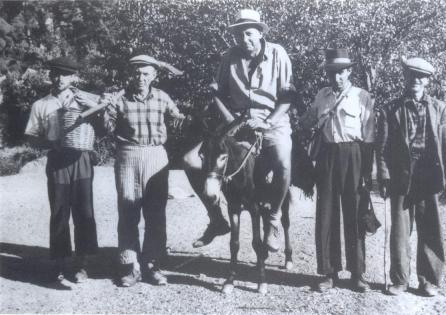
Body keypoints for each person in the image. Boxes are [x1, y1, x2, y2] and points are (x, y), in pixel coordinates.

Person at [184, 8, 295, 252]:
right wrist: (234, 121)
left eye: (248, 34)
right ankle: (216, 219)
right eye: (239, 35)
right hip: (235, 120)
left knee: (283, 161)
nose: (244, 40)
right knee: (191, 160)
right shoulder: (229, 57)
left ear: (260, 33)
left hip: (271, 120)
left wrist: (266, 123)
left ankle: (274, 219)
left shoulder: (278, 54)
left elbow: (287, 98)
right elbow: (217, 93)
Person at [376, 57, 446, 297]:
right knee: (400, 231)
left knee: (430, 228)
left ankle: (429, 280)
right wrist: (383, 177)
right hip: (401, 174)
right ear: (405, 77)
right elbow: (382, 149)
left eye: (421, 76)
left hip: (429, 174)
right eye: (411, 75)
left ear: (427, 81)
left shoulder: (440, 108)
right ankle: (399, 280)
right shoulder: (390, 108)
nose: (416, 80)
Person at [103, 54, 185, 287]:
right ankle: (130, 266)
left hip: (156, 155)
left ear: (154, 76)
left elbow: (178, 117)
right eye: (137, 73)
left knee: (155, 213)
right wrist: (106, 107)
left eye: (146, 73)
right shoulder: (119, 99)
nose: (140, 77)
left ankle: (152, 264)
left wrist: (183, 118)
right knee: (128, 210)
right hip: (128, 154)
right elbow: (106, 129)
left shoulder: (162, 97)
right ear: (131, 75)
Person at [299, 48, 375, 292]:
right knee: (326, 214)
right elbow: (306, 122)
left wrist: (367, 172)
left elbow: (370, 136)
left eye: (341, 72)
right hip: (327, 156)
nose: (337, 77)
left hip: (354, 154)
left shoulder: (363, 96)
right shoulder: (322, 96)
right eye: (332, 73)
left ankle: (357, 273)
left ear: (349, 71)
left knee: (354, 214)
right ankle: (329, 272)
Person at [24, 56, 99, 284]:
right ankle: (60, 263)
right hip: (57, 161)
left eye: (65, 74)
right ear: (50, 75)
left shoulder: (88, 99)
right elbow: (30, 136)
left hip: (82, 159)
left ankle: (82, 264)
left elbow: (105, 126)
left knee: (84, 211)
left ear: (74, 76)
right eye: (55, 73)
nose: (59, 78)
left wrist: (95, 108)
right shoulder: (41, 104)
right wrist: (51, 144)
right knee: (59, 212)